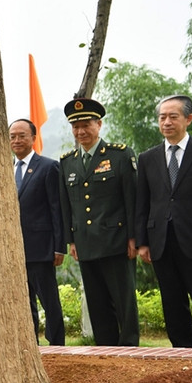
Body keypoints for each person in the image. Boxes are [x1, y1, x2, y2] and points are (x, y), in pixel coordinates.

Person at [58, 98, 139, 346]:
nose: (80, 131)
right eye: (75, 126)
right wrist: (71, 240)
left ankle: (129, 348)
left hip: (117, 241)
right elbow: (66, 206)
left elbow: (132, 200)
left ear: (99, 124)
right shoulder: (67, 161)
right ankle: (106, 349)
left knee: (124, 301)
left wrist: (134, 237)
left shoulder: (120, 155)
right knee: (97, 302)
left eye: (86, 125)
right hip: (85, 242)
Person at [136, 94, 192, 348]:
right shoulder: (147, 158)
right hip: (161, 241)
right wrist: (142, 242)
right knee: (172, 301)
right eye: (162, 117)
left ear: (189, 119)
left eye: (173, 117)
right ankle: (181, 352)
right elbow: (143, 202)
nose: (166, 122)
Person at [9, 119, 66, 346]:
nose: (17, 140)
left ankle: (57, 345)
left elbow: (56, 209)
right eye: (12, 136)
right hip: (14, 250)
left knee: (49, 301)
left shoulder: (48, 167)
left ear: (33, 138)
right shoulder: (3, 169)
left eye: (22, 135)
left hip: (41, 248)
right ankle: (30, 345)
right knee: (24, 303)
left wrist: (59, 247)